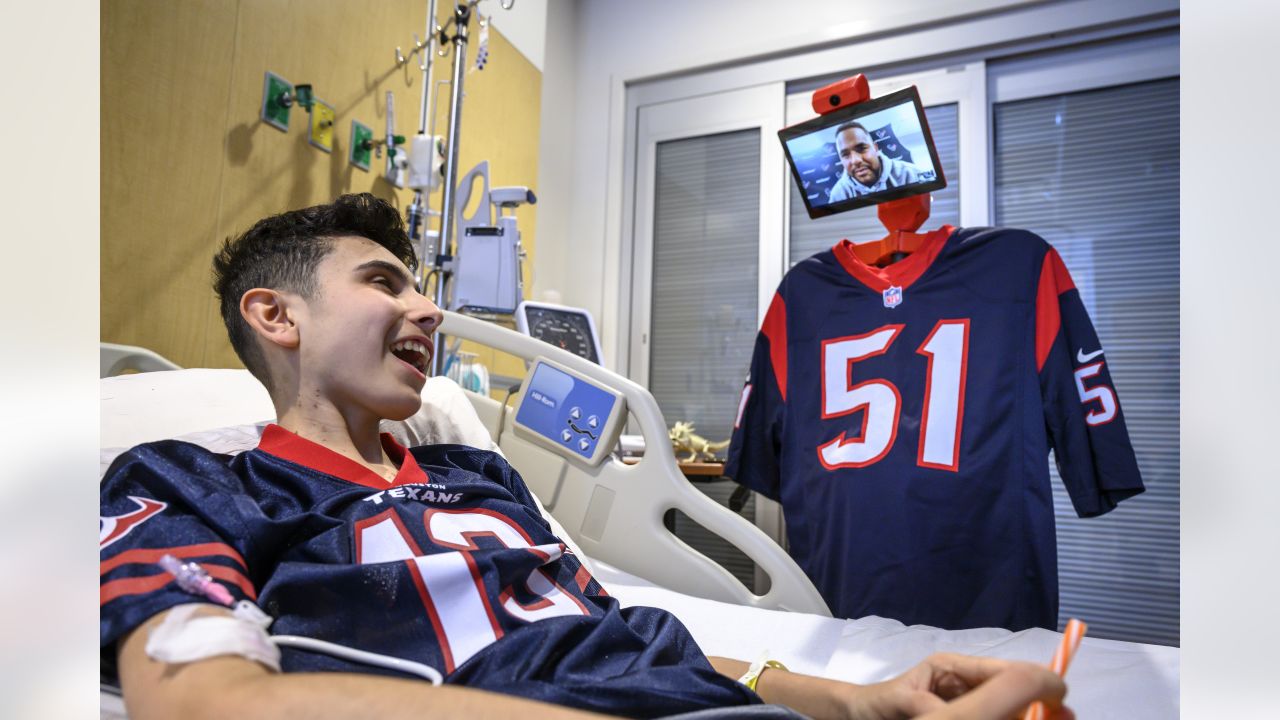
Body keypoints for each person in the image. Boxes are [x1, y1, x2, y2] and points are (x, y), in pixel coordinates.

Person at [100, 193, 1073, 719]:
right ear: (274, 315)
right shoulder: (192, 483)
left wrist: (857, 702)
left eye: (423, 286)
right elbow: (206, 699)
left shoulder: (474, 475)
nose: (428, 307)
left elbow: (623, 642)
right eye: (383, 281)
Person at [826, 122, 931, 203]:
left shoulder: (911, 173)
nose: (855, 160)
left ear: (875, 148)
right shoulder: (838, 194)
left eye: (861, 148)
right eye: (845, 155)